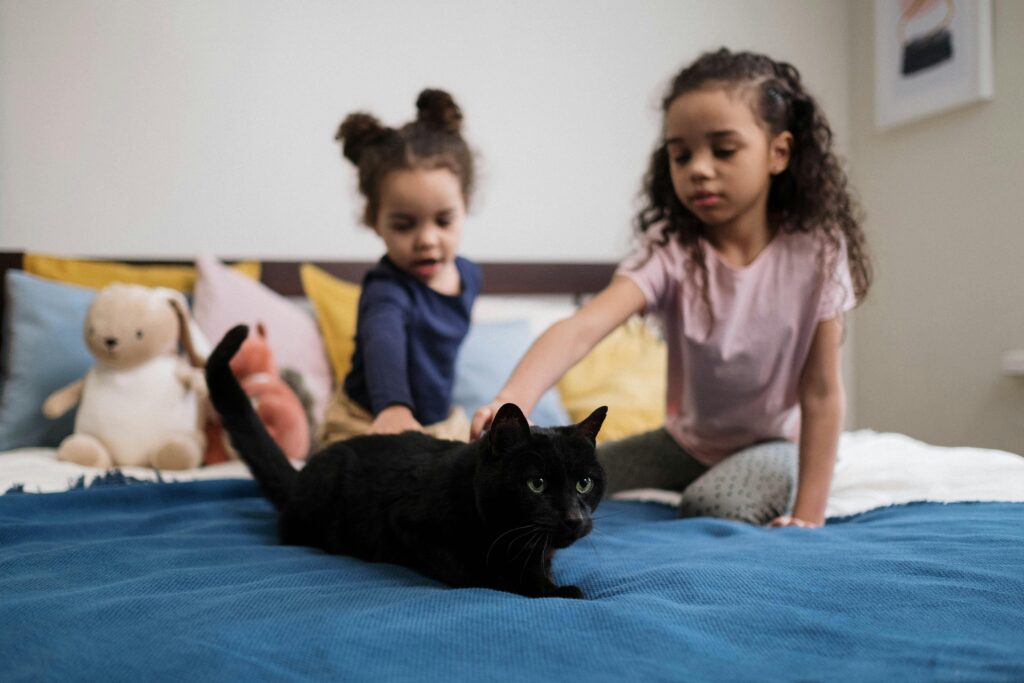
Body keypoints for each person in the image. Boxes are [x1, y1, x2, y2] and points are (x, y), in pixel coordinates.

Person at [472, 48, 872, 528]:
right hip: (683, 443)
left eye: (723, 150)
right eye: (681, 155)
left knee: (714, 506)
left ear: (778, 152)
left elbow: (823, 392)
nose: (698, 168)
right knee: (551, 475)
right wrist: (508, 399)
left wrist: (809, 515)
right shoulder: (671, 249)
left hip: (772, 444)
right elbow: (583, 328)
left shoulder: (818, 250)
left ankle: (753, 482)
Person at [322, 89, 481, 444]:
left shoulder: (469, 275)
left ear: (464, 207)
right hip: (368, 419)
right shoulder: (386, 290)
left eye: (443, 221)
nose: (427, 239)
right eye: (404, 225)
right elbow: (383, 341)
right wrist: (392, 406)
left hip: (437, 422)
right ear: (373, 220)